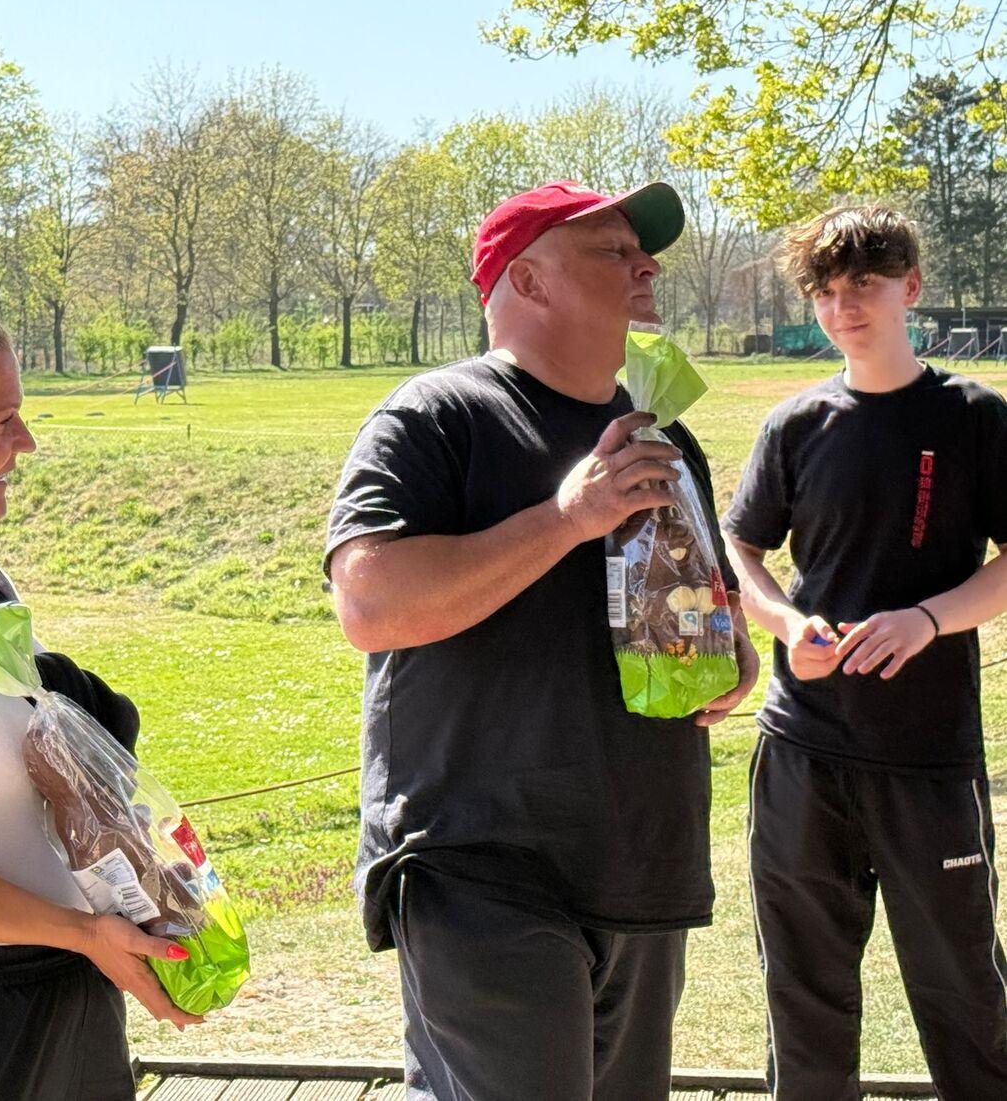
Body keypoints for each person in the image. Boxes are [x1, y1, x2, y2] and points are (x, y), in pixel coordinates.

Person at [326, 180, 759, 1101]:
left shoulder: (663, 434)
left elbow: (699, 600)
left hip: (642, 860)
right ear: (526, 280)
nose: (645, 266)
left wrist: (727, 651)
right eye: (610, 250)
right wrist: (568, 515)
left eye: (641, 252)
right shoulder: (435, 417)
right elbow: (370, 603)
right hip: (482, 863)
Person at [722, 206, 1007, 1100]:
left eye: (865, 286)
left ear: (909, 290)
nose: (844, 307)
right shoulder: (795, 424)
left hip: (926, 754)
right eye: (827, 291)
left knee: (962, 991)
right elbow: (740, 550)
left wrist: (926, 618)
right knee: (801, 990)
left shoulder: (971, 417)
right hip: (802, 747)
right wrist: (781, 622)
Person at [0, 290, 202, 1101]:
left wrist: (138, 882)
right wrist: (83, 931)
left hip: (61, 992)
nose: (26, 443)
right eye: (3, 421)